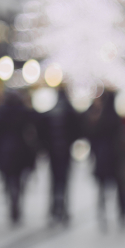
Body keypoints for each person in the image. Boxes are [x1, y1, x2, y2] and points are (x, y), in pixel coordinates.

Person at [0, 91, 38, 225]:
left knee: (8, 179)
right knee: (18, 180)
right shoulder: (25, 112)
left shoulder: (0, 113)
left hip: (5, 151)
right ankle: (16, 199)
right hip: (21, 151)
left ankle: (12, 199)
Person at [37, 89, 80, 226]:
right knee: (64, 181)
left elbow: (41, 131)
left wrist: (45, 147)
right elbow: (77, 131)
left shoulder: (50, 113)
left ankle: (55, 209)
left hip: (53, 153)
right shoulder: (70, 112)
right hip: (64, 153)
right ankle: (63, 208)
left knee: (54, 182)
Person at [84, 90, 123, 231]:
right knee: (113, 188)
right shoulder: (113, 117)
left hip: (104, 157)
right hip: (111, 157)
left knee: (104, 188)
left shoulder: (103, 118)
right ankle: (117, 214)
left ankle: (105, 214)